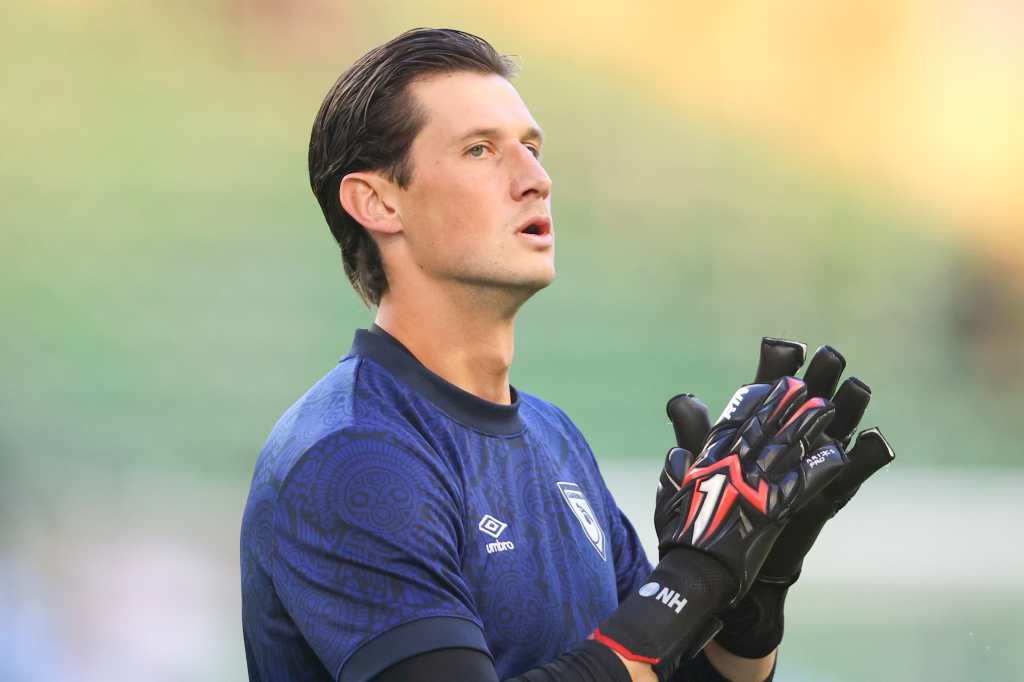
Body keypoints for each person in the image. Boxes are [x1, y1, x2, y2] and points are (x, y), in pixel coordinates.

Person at [240, 28, 894, 682]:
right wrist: (691, 578)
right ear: (378, 201)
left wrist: (748, 594)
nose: (536, 179)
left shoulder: (553, 438)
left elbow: (656, 672)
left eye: (531, 148)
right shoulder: (352, 455)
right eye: (480, 150)